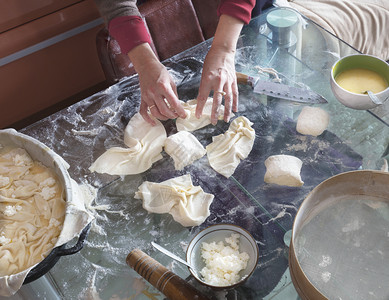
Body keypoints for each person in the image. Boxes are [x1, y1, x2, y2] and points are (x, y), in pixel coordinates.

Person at [94, 0, 272, 126]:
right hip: (148, 26)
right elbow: (117, 5)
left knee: (262, 98)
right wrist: (145, 64)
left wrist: (224, 48)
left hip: (239, 11)